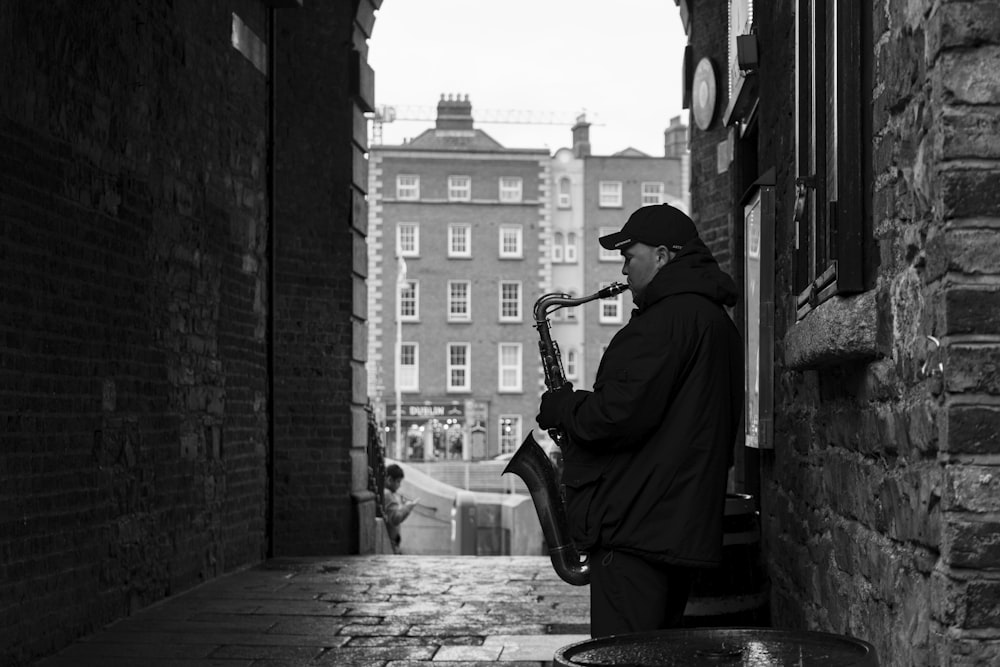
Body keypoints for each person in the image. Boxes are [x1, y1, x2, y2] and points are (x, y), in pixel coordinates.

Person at [536, 203, 743, 638]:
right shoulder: (711, 319)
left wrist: (562, 406)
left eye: (631, 255)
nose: (624, 268)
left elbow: (614, 416)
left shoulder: (664, 322)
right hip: (672, 528)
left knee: (622, 654)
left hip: (637, 533)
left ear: (664, 256)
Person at [383, 464, 419, 554]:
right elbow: (395, 518)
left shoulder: (386, 493)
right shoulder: (387, 494)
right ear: (389, 480)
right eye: (398, 482)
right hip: (390, 543)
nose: (399, 485)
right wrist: (408, 508)